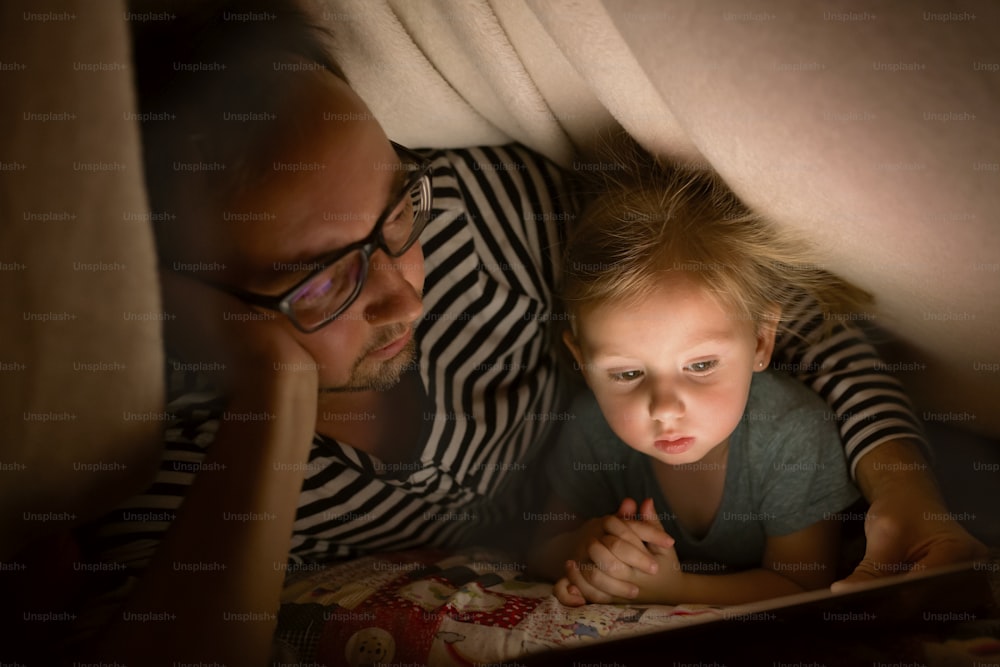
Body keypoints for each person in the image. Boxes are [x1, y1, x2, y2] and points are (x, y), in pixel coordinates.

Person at [70, 2, 984, 664]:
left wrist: (903, 486)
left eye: (397, 217)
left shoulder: (485, 217)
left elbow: (738, 302)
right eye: (323, 278)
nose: (404, 293)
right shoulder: (163, 461)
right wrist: (273, 395)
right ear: (184, 301)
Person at [529, 139, 867, 605]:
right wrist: (587, 549)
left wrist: (678, 590)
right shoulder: (591, 430)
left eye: (701, 365)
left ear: (761, 341)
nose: (665, 408)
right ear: (582, 362)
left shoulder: (792, 435)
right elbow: (541, 551)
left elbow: (803, 586)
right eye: (626, 374)